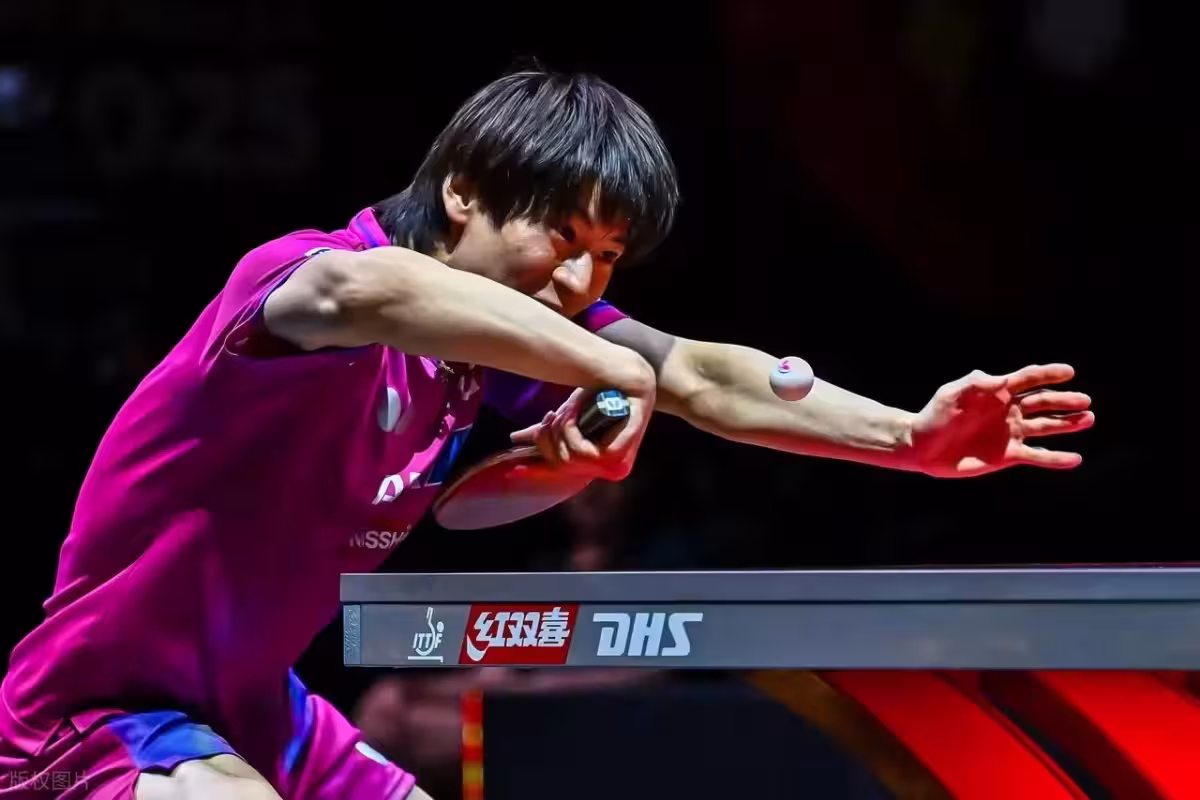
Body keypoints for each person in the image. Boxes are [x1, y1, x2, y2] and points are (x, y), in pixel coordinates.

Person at [0, 66, 1094, 800]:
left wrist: (908, 437)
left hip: (260, 704)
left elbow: (700, 375)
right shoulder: (305, 278)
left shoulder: (496, 354)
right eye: (562, 237)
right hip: (99, 707)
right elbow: (370, 288)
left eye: (607, 258)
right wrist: (612, 367)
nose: (578, 282)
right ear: (463, 194)